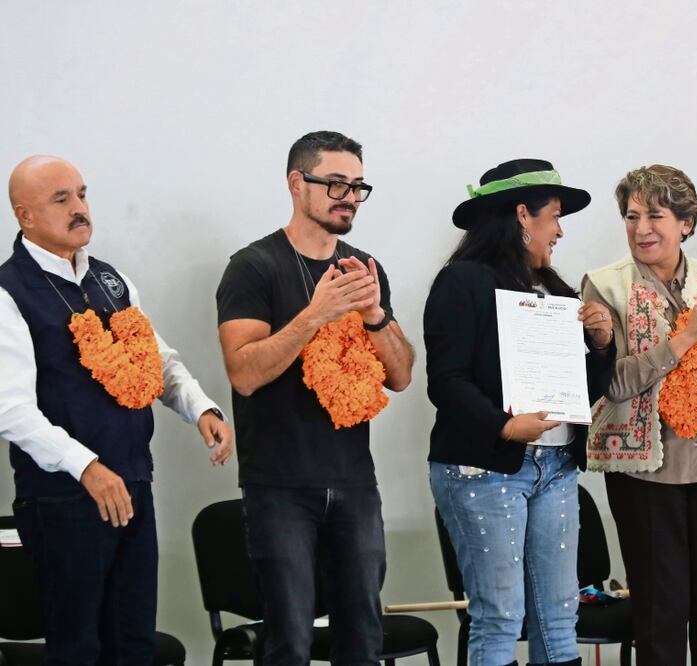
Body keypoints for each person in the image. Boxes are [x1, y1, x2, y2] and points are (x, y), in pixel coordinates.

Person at [0, 155, 233, 662]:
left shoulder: (111, 280)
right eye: (61, 199)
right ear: (26, 216)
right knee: (78, 647)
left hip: (132, 483)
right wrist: (86, 466)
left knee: (133, 643)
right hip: (63, 498)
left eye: (82, 194)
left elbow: (159, 360)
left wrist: (202, 409)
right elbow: (10, 410)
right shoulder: (8, 291)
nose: (79, 207)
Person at [216, 131, 413, 665]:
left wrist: (375, 316)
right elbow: (244, 373)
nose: (349, 196)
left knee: (363, 640)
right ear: (296, 184)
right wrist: (314, 315)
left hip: (354, 481)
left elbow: (401, 375)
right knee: (290, 644)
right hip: (279, 485)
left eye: (357, 186)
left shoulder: (363, 269)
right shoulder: (253, 266)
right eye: (336, 184)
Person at [424, 158, 613, 666]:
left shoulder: (557, 292)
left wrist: (600, 343)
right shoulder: (460, 282)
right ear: (523, 215)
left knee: (558, 613)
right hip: (483, 468)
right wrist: (505, 425)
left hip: (554, 467)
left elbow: (586, 389)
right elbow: (446, 381)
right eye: (554, 216)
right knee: (500, 615)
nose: (560, 231)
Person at [583, 164, 697, 666]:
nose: (641, 228)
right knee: (660, 614)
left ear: (686, 222)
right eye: (631, 215)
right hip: (643, 476)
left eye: (655, 215)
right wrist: (682, 341)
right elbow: (610, 384)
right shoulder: (604, 286)